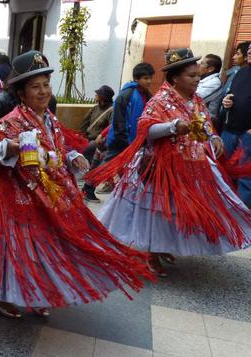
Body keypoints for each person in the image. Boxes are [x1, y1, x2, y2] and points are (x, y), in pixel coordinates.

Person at [0, 50, 153, 318]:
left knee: (42, 246)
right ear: (21, 93)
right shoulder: (11, 121)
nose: (43, 92)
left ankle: (33, 289)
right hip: (12, 197)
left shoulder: (50, 119)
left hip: (47, 194)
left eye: (46, 85)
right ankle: (0, 296)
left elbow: (57, 147)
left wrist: (73, 156)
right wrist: (9, 147)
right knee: (10, 249)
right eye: (35, 87)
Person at [87, 48, 251, 277]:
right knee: (156, 212)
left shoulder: (195, 101)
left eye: (197, 75)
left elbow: (205, 125)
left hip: (191, 165)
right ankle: (151, 253)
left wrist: (213, 137)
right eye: (191, 75)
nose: (197, 79)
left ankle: (163, 246)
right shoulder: (161, 100)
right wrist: (173, 126)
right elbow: (147, 129)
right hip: (159, 167)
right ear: (175, 78)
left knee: (175, 211)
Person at [92, 62, 154, 194]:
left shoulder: (147, 95)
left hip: (135, 140)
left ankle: (123, 193)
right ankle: (88, 188)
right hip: (120, 140)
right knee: (106, 166)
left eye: (150, 78)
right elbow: (118, 120)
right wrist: (123, 140)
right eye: (145, 78)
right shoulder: (126, 94)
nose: (149, 81)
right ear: (137, 79)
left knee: (130, 168)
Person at [220, 43, 251, 206]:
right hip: (229, 131)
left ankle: (240, 218)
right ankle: (221, 210)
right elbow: (232, 94)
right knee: (221, 172)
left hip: (248, 137)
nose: (250, 51)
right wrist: (227, 101)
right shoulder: (241, 73)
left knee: (246, 181)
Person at [80, 85, 115, 203]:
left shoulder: (112, 110)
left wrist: (101, 140)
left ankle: (88, 187)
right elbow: (84, 123)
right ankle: (87, 188)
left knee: (96, 165)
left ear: (103, 97)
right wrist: (79, 136)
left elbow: (111, 128)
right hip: (90, 139)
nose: (95, 96)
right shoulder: (95, 108)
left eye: (97, 94)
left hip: (100, 143)